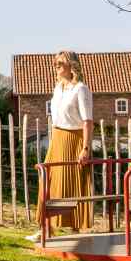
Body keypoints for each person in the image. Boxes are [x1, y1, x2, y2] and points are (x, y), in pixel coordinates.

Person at [29, 51, 94, 242]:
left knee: (71, 183)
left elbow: (87, 121)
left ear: (71, 66)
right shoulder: (58, 88)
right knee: (47, 180)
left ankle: (75, 229)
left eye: (60, 64)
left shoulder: (81, 89)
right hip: (57, 137)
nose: (55, 67)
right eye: (55, 64)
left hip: (74, 139)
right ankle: (45, 228)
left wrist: (86, 148)